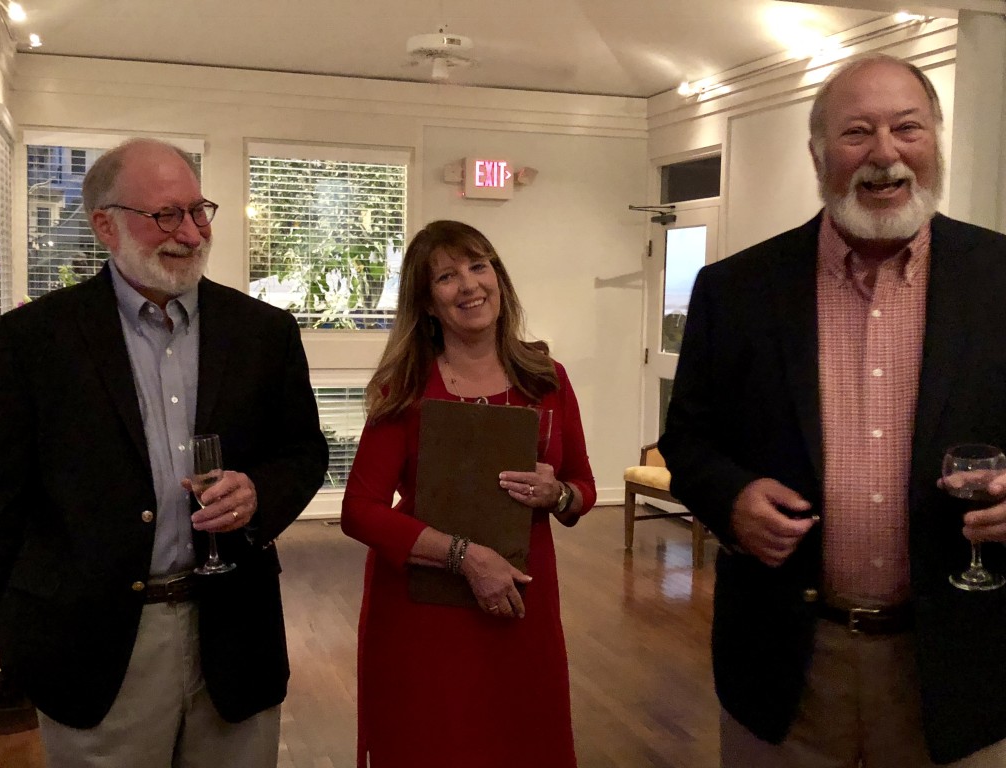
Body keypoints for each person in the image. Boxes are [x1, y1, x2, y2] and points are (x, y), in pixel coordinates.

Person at [660, 53, 1006, 767]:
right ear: (819, 155)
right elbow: (688, 439)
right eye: (857, 133)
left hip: (958, 665)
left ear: (936, 140)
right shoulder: (737, 290)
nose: (885, 154)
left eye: (907, 128)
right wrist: (730, 497)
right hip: (785, 665)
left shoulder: (1000, 278)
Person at [0, 138, 329, 767]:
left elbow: (304, 450)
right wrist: (18, 626)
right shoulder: (32, 340)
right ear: (104, 226)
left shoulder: (262, 332)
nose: (191, 233)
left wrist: (260, 493)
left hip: (234, 633)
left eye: (199, 211)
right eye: (166, 215)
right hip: (94, 646)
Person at [341, 220, 596, 768]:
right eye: (447, 277)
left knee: (521, 737)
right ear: (427, 304)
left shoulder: (547, 379)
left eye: (479, 266)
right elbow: (359, 512)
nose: (470, 286)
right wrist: (466, 557)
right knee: (433, 740)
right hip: (425, 605)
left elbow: (583, 490)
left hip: (520, 598)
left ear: (499, 279)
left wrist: (557, 495)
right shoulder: (405, 387)